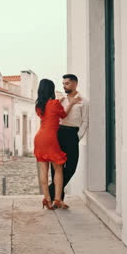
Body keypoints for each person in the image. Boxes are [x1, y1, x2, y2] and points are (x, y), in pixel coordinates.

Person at [34, 79, 81, 209]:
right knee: (58, 169)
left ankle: (47, 199)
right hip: (50, 138)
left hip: (39, 138)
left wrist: (58, 102)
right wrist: (71, 103)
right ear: (51, 89)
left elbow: (49, 114)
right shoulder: (54, 103)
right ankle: (58, 199)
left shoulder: (38, 105)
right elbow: (63, 115)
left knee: (43, 170)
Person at [48, 74, 89, 205]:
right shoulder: (61, 100)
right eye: (63, 83)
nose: (64, 86)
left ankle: (51, 190)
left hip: (73, 134)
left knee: (71, 167)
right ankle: (58, 199)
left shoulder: (84, 101)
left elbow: (85, 121)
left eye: (67, 83)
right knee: (56, 168)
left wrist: (77, 137)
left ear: (75, 83)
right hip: (59, 133)